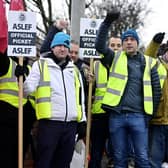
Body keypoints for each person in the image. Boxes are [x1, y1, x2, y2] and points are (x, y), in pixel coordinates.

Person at [95, 11, 162, 168]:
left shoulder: (149, 62)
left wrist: (148, 114)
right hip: (117, 116)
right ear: (123, 43)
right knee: (119, 159)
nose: (129, 42)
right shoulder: (115, 58)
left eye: (132, 40)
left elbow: (156, 91)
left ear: (137, 43)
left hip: (139, 116)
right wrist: (106, 23)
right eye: (126, 40)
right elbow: (99, 46)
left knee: (142, 158)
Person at [19, 31, 86, 168]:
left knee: (64, 163)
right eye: (59, 45)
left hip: (70, 125)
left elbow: (80, 98)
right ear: (52, 47)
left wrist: (82, 120)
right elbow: (26, 91)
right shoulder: (41, 65)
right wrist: (21, 78)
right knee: (44, 162)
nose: (62, 49)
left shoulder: (74, 70)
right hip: (50, 124)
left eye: (65, 46)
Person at [88, 35, 122, 168]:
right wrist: (88, 81)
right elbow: (87, 92)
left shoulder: (125, 66)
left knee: (117, 153)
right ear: (107, 47)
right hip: (99, 114)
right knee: (96, 152)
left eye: (118, 46)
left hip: (117, 114)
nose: (115, 48)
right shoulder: (95, 65)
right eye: (112, 45)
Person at [0, 50, 36, 168]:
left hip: (24, 122)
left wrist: (31, 114)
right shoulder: (6, 63)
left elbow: (32, 95)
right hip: (5, 122)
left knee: (19, 159)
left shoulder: (31, 69)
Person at [145, 33, 168, 168]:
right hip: (158, 120)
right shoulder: (156, 63)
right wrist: (154, 43)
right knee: (155, 160)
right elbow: (147, 57)